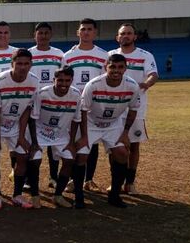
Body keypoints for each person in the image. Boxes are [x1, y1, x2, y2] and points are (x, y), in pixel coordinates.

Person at [80, 55, 140, 208]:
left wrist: (125, 133)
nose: (116, 71)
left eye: (120, 67)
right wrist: (85, 136)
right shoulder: (93, 85)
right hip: (91, 123)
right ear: (106, 67)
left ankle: (114, 195)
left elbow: (133, 110)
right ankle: (79, 196)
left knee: (122, 153)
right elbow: (83, 111)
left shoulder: (132, 86)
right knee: (81, 155)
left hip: (113, 124)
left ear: (125, 68)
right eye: (112, 67)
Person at [28, 66, 88, 209]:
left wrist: (72, 142)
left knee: (69, 160)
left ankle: (58, 195)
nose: (63, 84)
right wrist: (34, 143)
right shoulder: (42, 94)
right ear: (53, 80)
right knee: (35, 160)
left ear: (72, 80)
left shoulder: (76, 95)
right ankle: (35, 195)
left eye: (67, 80)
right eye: (60, 80)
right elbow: (32, 119)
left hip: (61, 134)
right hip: (40, 133)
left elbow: (76, 120)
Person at [110, 23, 158, 194]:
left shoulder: (145, 55)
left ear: (135, 37)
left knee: (134, 145)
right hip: (114, 108)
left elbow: (153, 74)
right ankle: (116, 181)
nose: (126, 36)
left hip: (136, 107)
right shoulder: (110, 55)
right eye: (123, 34)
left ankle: (130, 182)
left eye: (129, 33)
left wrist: (146, 84)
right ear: (117, 37)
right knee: (114, 145)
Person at [0, 49, 40, 209]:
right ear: (12, 64)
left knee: (23, 157)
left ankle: (17, 194)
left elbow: (26, 109)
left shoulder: (34, 81)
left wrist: (21, 136)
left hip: (17, 124)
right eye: (19, 63)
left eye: (26, 64)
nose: (22, 67)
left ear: (31, 65)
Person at [63, 18, 108, 192]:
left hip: (94, 106)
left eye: (90, 29)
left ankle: (88, 179)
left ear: (95, 32)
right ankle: (74, 179)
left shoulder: (104, 55)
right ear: (78, 32)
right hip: (74, 104)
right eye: (83, 29)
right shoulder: (68, 56)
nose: (86, 32)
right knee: (74, 140)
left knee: (92, 141)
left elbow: (106, 81)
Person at [28, 22, 65, 188]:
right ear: (35, 35)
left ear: (50, 35)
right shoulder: (28, 54)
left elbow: (64, 76)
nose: (43, 36)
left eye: (46, 33)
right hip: (33, 100)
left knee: (53, 136)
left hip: (53, 101)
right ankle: (29, 179)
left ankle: (53, 176)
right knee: (32, 139)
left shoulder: (58, 54)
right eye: (40, 33)